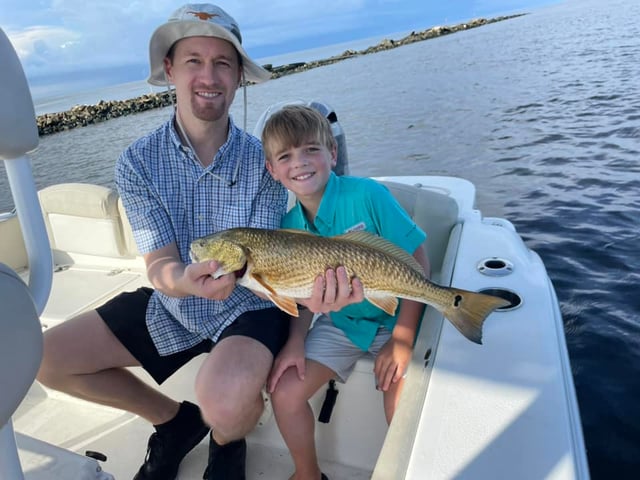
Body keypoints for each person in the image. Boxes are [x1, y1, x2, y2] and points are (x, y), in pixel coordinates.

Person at [36, 5, 362, 480]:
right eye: (193, 60)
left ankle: (227, 441)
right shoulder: (137, 162)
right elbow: (160, 265)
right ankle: (173, 421)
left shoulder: (270, 164)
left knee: (225, 402)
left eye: (222, 63)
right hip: (173, 301)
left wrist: (312, 301)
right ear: (169, 69)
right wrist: (184, 282)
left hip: (253, 303)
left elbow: (299, 249)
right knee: (45, 359)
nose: (208, 76)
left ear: (238, 77)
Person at [262, 105, 431, 480]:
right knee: (285, 392)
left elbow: (418, 260)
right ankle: (307, 472)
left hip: (394, 317)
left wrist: (402, 338)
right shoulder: (289, 227)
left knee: (401, 401)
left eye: (311, 150)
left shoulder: (369, 194)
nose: (300, 163)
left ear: (332, 154)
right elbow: (303, 296)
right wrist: (294, 343)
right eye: (285, 156)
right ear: (272, 170)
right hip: (340, 325)